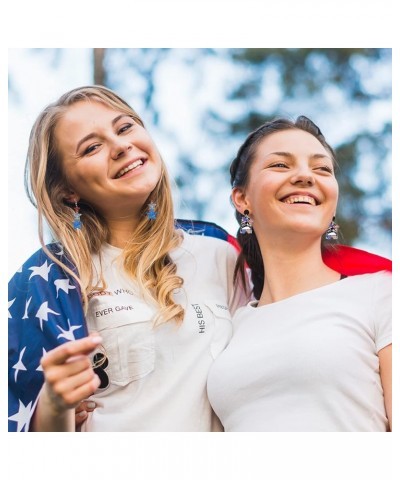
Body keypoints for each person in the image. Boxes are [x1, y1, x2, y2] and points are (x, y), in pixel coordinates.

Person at [8, 85, 247, 432]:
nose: (121, 146)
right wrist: (53, 407)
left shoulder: (220, 251)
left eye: (125, 128)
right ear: (68, 190)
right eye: (92, 147)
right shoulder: (44, 281)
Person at [207, 116, 392, 432]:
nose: (306, 176)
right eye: (280, 165)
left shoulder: (382, 295)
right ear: (242, 199)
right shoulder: (228, 327)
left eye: (322, 169)